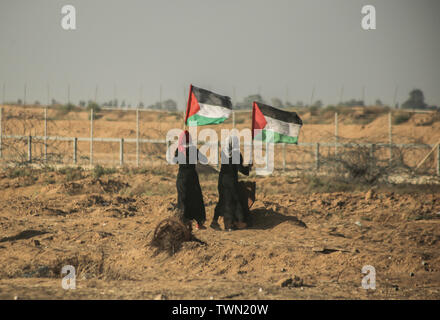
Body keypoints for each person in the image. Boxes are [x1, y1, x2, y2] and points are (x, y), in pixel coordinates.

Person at [210, 135, 252, 231]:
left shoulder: (223, 152)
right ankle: (235, 223)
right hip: (231, 181)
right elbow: (242, 170)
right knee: (234, 201)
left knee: (223, 200)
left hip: (222, 180)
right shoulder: (236, 154)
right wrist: (249, 166)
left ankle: (215, 220)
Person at [172, 130, 208, 230]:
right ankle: (199, 224)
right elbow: (204, 160)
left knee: (183, 201)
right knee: (196, 200)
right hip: (192, 177)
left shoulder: (179, 149)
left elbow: (174, 160)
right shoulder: (193, 149)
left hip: (182, 178)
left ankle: (183, 223)